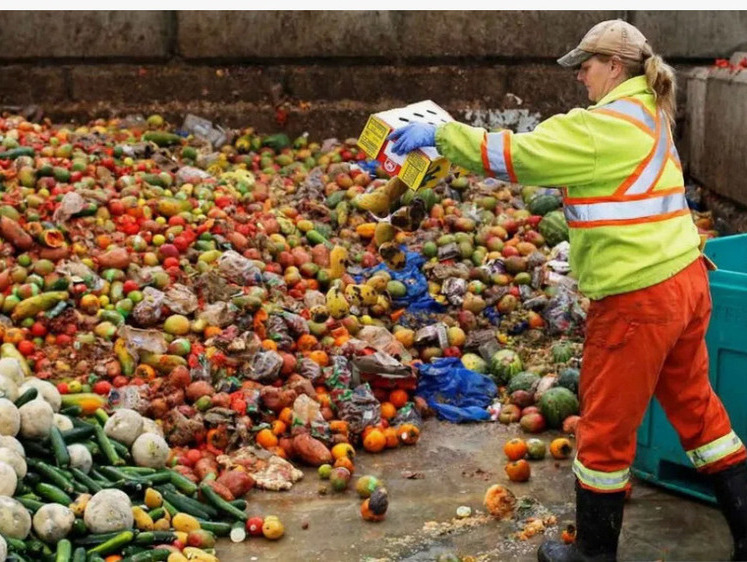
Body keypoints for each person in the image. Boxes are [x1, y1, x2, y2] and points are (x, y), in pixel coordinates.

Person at [387, 19, 747, 562]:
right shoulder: (649, 112)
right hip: (686, 281)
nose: (579, 75)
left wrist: (441, 136)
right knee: (699, 412)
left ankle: (594, 554)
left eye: (586, 64)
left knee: (603, 428)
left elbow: (519, 155)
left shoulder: (601, 126)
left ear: (614, 67)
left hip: (637, 300)